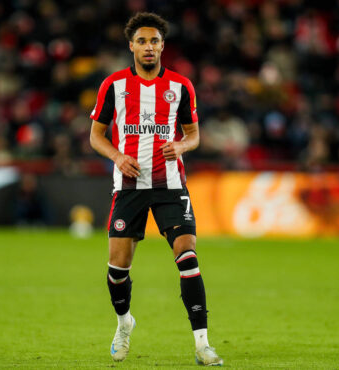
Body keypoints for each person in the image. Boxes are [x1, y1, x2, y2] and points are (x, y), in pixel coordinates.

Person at [89, 12, 223, 367]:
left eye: (155, 41)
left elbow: (194, 135)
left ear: (163, 46)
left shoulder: (180, 86)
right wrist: (118, 156)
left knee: (188, 256)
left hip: (170, 185)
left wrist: (180, 146)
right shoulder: (113, 85)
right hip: (129, 187)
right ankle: (124, 323)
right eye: (142, 41)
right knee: (118, 269)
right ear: (131, 45)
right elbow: (95, 136)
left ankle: (202, 345)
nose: (149, 47)